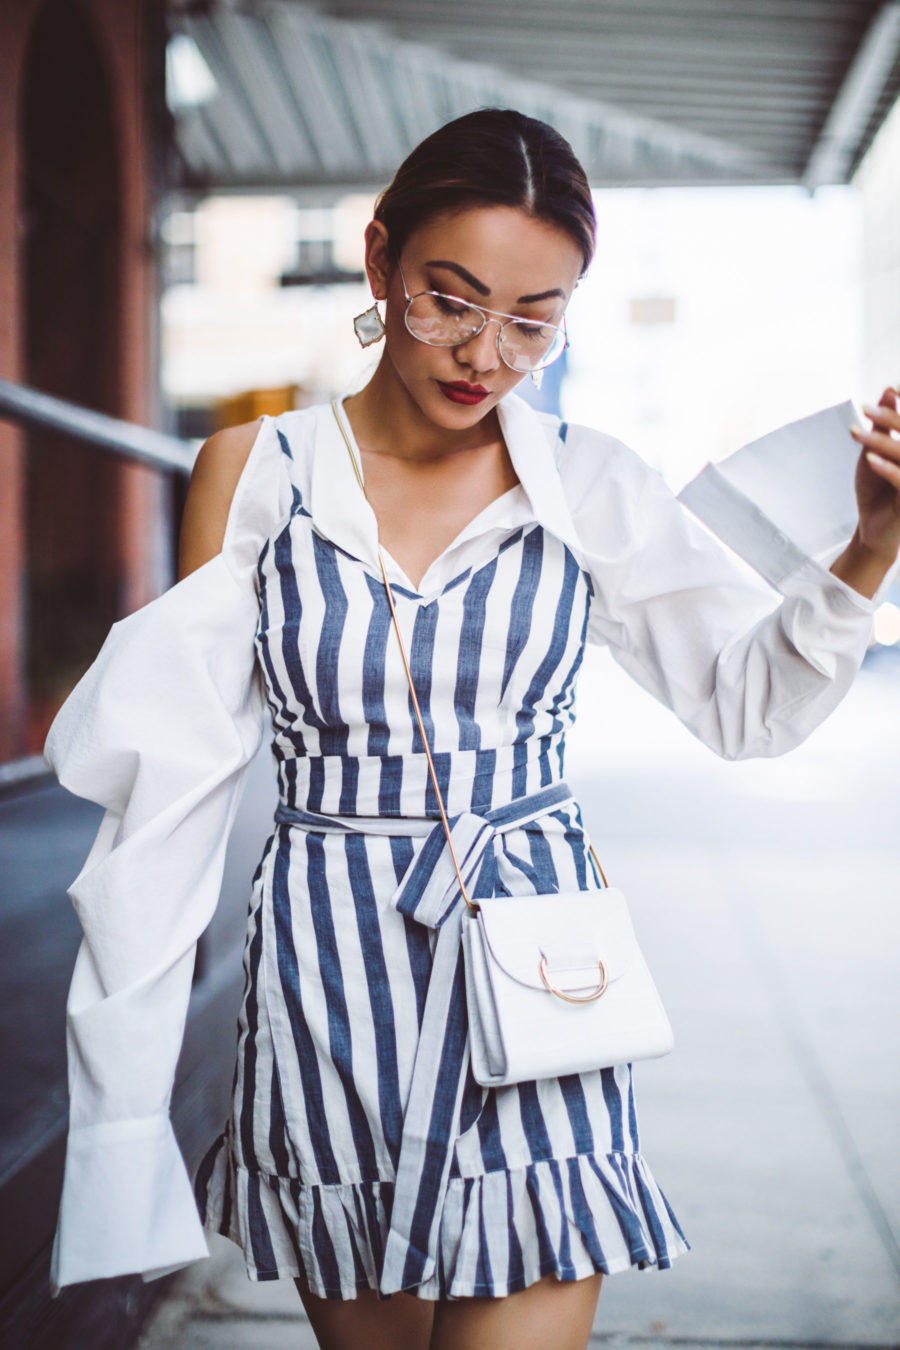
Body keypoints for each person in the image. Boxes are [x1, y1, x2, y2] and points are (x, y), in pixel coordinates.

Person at [45, 109, 900, 1350]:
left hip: (543, 977)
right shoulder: (255, 474)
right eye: (451, 300)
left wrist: (870, 545)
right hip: (325, 996)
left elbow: (749, 706)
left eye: (534, 320)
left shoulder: (593, 479)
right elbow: (165, 814)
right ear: (381, 258)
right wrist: (121, 1127)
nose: (485, 352)